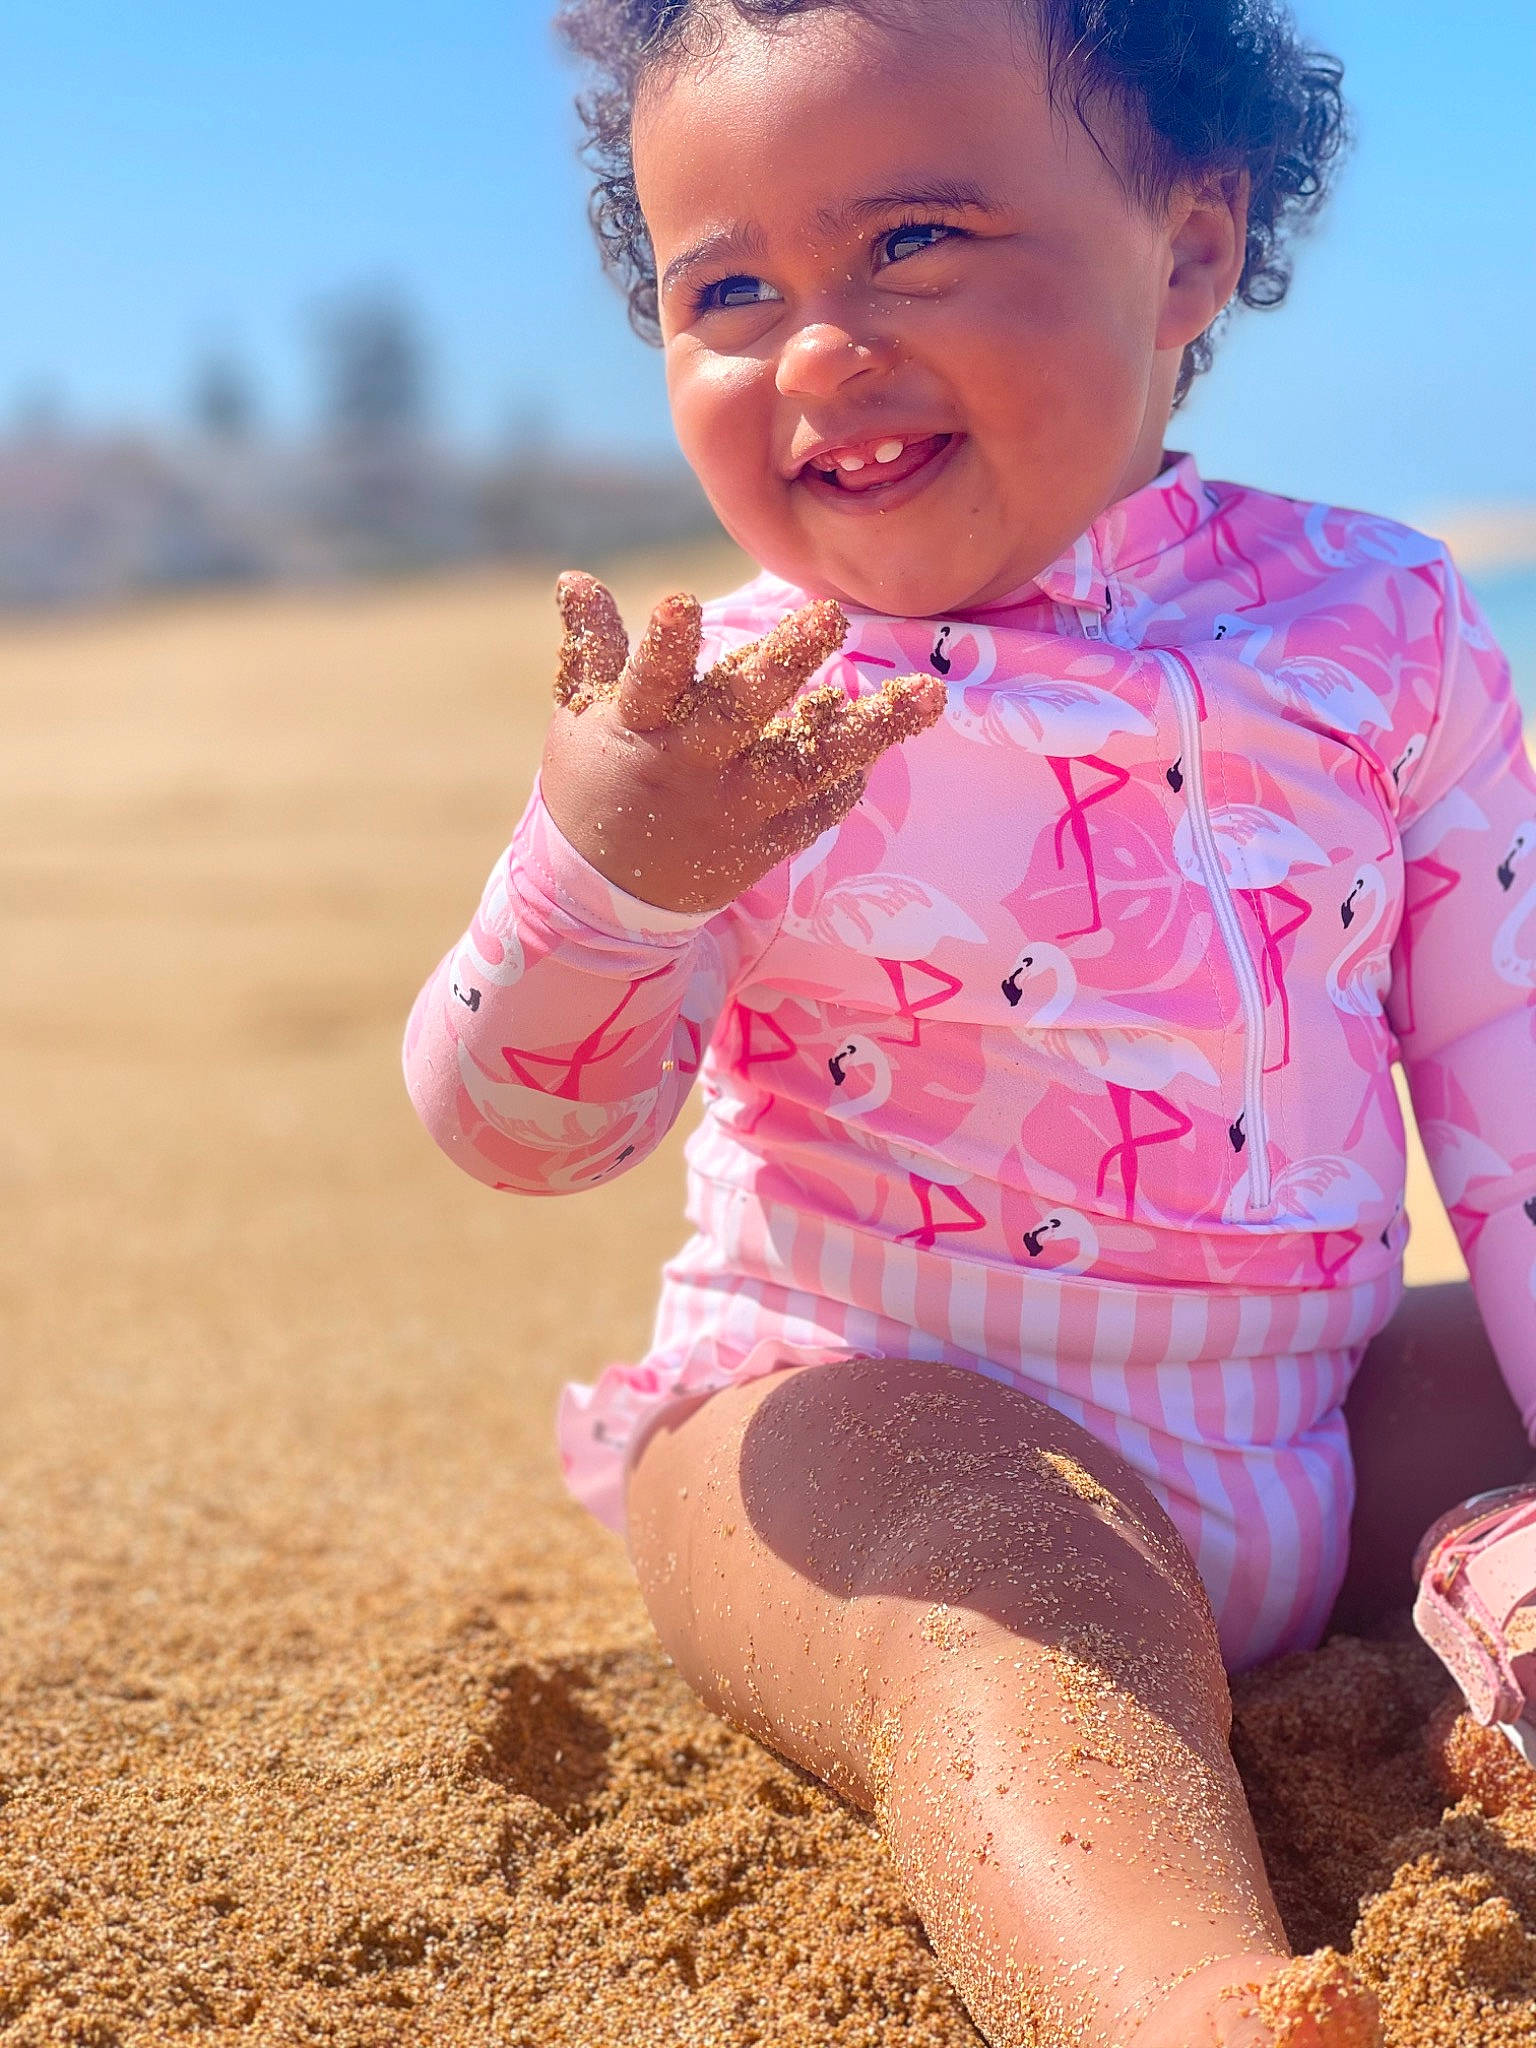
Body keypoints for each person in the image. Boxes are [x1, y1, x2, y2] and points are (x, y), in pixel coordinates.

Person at [404, 3, 1536, 2040]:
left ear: (1188, 249)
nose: (816, 348)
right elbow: (516, 1127)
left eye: (914, 240)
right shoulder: (734, 718)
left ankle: (1476, 1566)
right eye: (728, 287)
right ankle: (1170, 1996)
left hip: (1311, 1416)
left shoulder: (1382, 628)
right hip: (855, 1413)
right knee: (1014, 1594)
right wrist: (609, 874)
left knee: (1484, 1363)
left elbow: (1513, 1095)